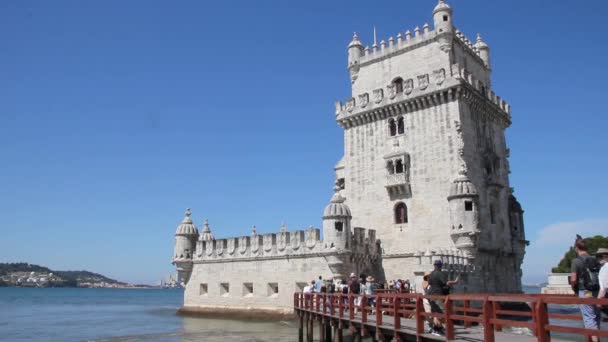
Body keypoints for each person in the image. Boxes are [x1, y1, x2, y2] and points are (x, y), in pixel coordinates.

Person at [570, 238, 601, 341]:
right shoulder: (594, 259)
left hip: (585, 291)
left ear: (576, 248)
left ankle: (595, 340)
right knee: (596, 315)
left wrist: (573, 287)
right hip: (596, 291)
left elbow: (574, 279)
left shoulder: (576, 261)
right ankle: (597, 337)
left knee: (589, 318)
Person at [428, 260, 459, 336]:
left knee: (435, 312)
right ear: (441, 266)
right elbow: (446, 282)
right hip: (437, 295)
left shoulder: (431, 274)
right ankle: (437, 329)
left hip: (430, 295)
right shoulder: (440, 273)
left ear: (434, 265)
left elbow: (429, 283)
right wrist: (455, 282)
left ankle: (437, 329)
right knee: (443, 312)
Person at [595, 248, 608, 316]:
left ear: (605, 257)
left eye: (599, 256)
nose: (597, 259)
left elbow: (604, 287)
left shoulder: (605, 268)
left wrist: (598, 301)